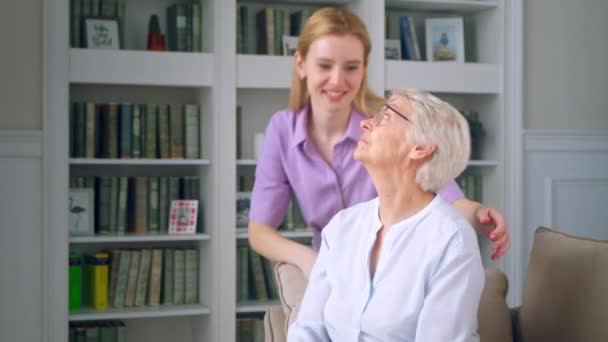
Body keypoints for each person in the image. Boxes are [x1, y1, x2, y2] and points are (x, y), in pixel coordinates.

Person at [248, 7, 510, 278]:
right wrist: (307, 259)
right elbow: (259, 230)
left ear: (364, 69)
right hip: (327, 270)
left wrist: (480, 215)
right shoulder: (282, 130)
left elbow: (445, 195)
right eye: (325, 65)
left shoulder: (389, 123)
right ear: (301, 64)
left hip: (396, 268)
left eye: (351, 67)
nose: (337, 80)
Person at [288, 89, 485, 341]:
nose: (365, 123)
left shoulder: (452, 240)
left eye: (385, 118)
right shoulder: (341, 227)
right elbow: (308, 330)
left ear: (420, 148)